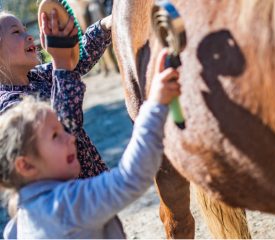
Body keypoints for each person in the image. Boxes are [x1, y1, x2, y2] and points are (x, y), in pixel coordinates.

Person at [0, 48, 181, 239]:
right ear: (26, 165)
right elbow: (130, 178)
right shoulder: (69, 204)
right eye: (55, 135)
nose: (70, 138)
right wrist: (155, 104)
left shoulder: (15, 229)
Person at [0, 10, 112, 178]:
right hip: (65, 198)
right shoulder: (9, 107)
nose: (29, 36)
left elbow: (75, 60)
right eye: (16, 32)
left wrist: (105, 26)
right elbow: (64, 128)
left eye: (25, 29)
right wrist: (60, 64)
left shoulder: (37, 76)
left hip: (90, 184)